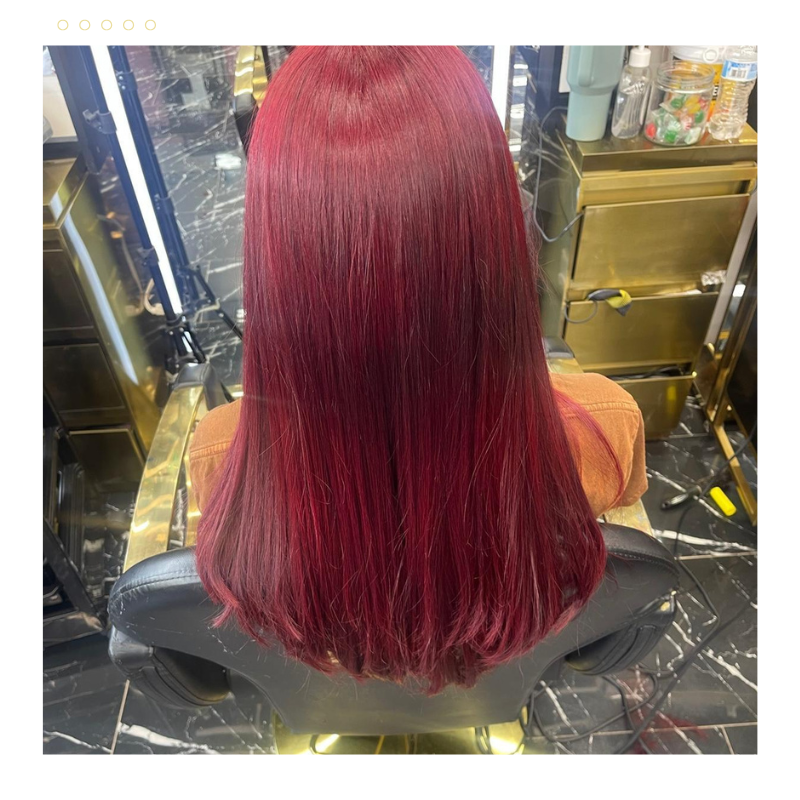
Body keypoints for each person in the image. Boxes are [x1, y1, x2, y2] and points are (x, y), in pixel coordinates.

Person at [191, 45, 646, 693]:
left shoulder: (218, 457)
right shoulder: (606, 427)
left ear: (276, 252)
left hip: (327, 690)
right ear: (494, 222)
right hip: (506, 675)